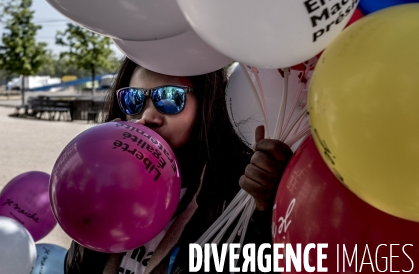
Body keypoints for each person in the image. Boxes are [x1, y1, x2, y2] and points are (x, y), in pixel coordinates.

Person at [65, 58, 293, 273]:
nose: (147, 116)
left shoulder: (238, 192)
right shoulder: (110, 180)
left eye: (170, 98)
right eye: (132, 99)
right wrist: (98, 195)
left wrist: (266, 212)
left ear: (207, 102)